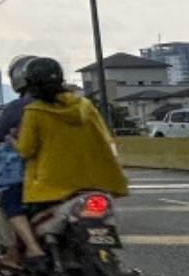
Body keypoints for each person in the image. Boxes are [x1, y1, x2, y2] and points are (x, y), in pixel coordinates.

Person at [14, 57, 127, 210]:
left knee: (30, 218)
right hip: (95, 182)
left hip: (51, 187)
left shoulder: (34, 111)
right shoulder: (85, 105)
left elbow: (26, 150)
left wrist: (15, 140)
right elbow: (105, 137)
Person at [0, 54, 45, 267]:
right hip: (82, 175)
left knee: (1, 200)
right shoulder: (77, 104)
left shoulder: (22, 107)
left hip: (38, 176)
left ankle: (15, 252)